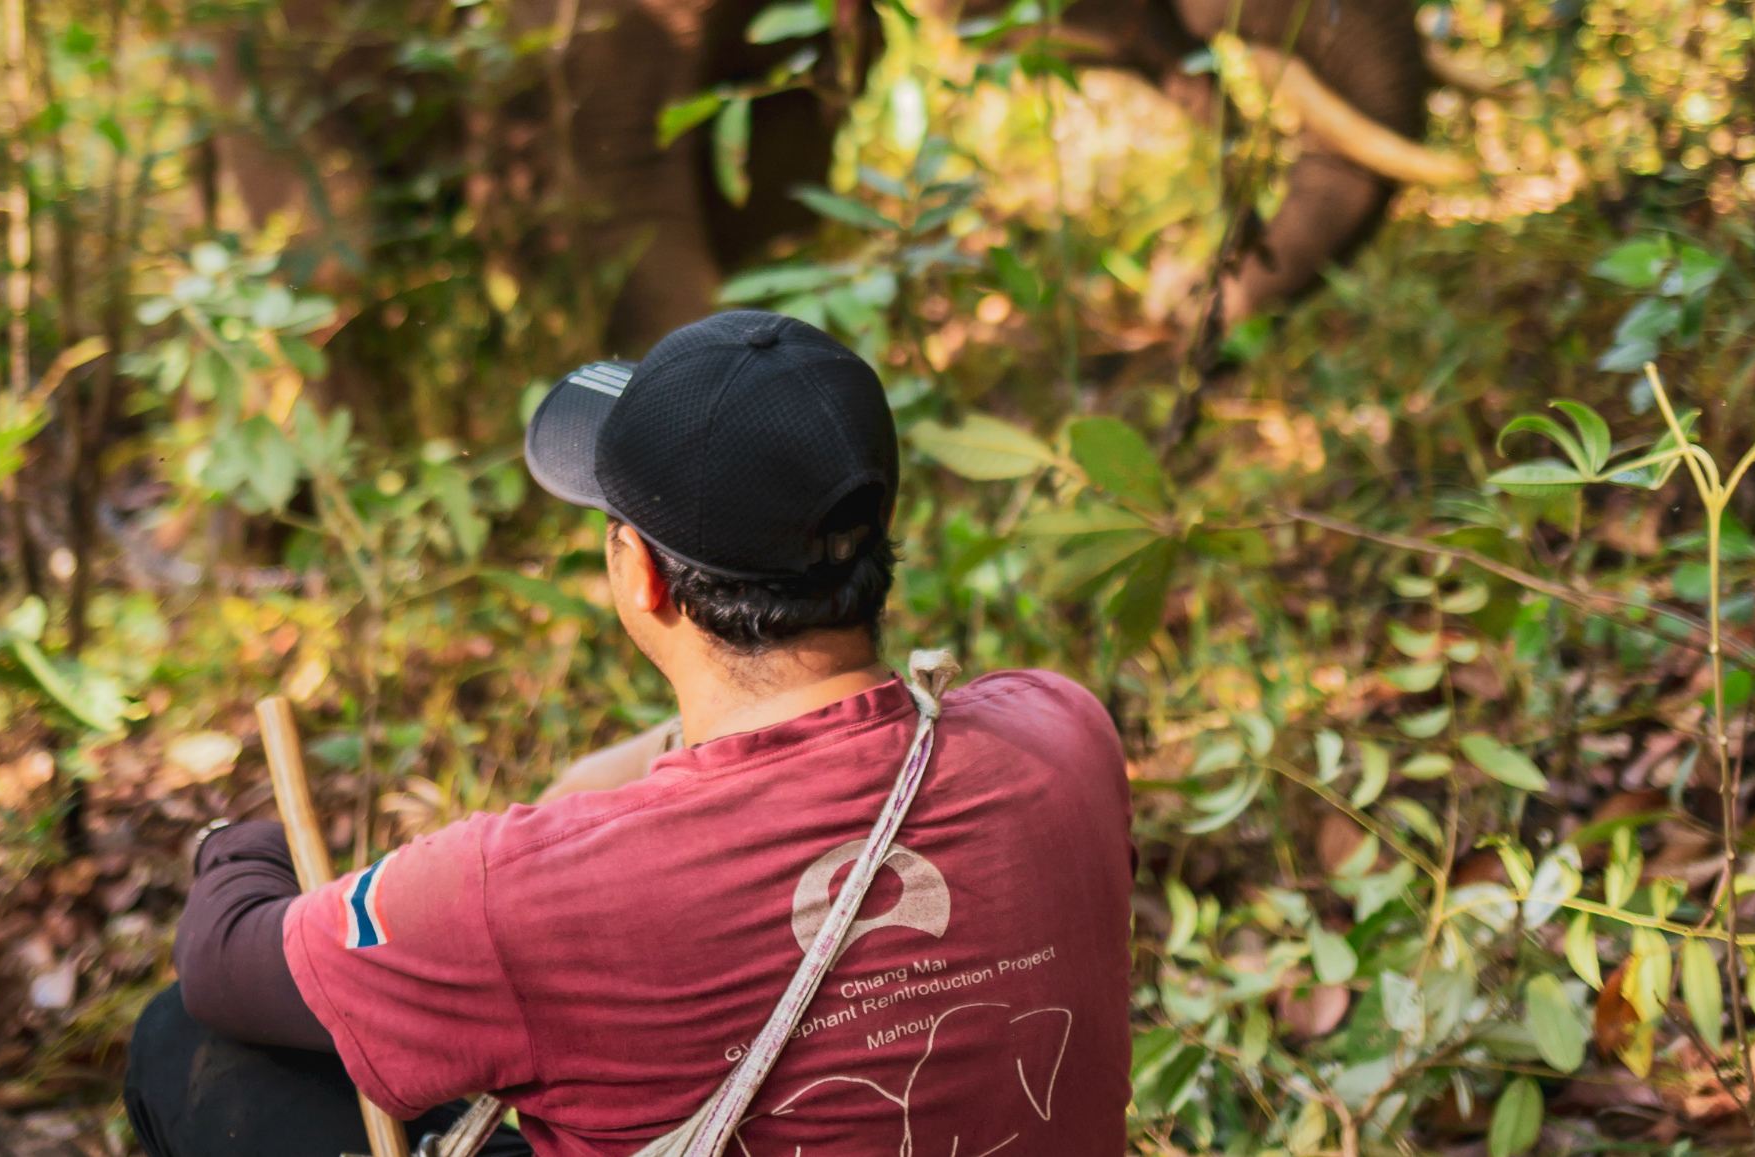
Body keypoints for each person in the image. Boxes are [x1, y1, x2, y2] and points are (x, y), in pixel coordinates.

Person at [122, 311, 1134, 1157]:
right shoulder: (1061, 735)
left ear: (640, 574)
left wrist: (235, 843)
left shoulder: (532, 887)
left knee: (184, 1042)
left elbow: (221, 955)